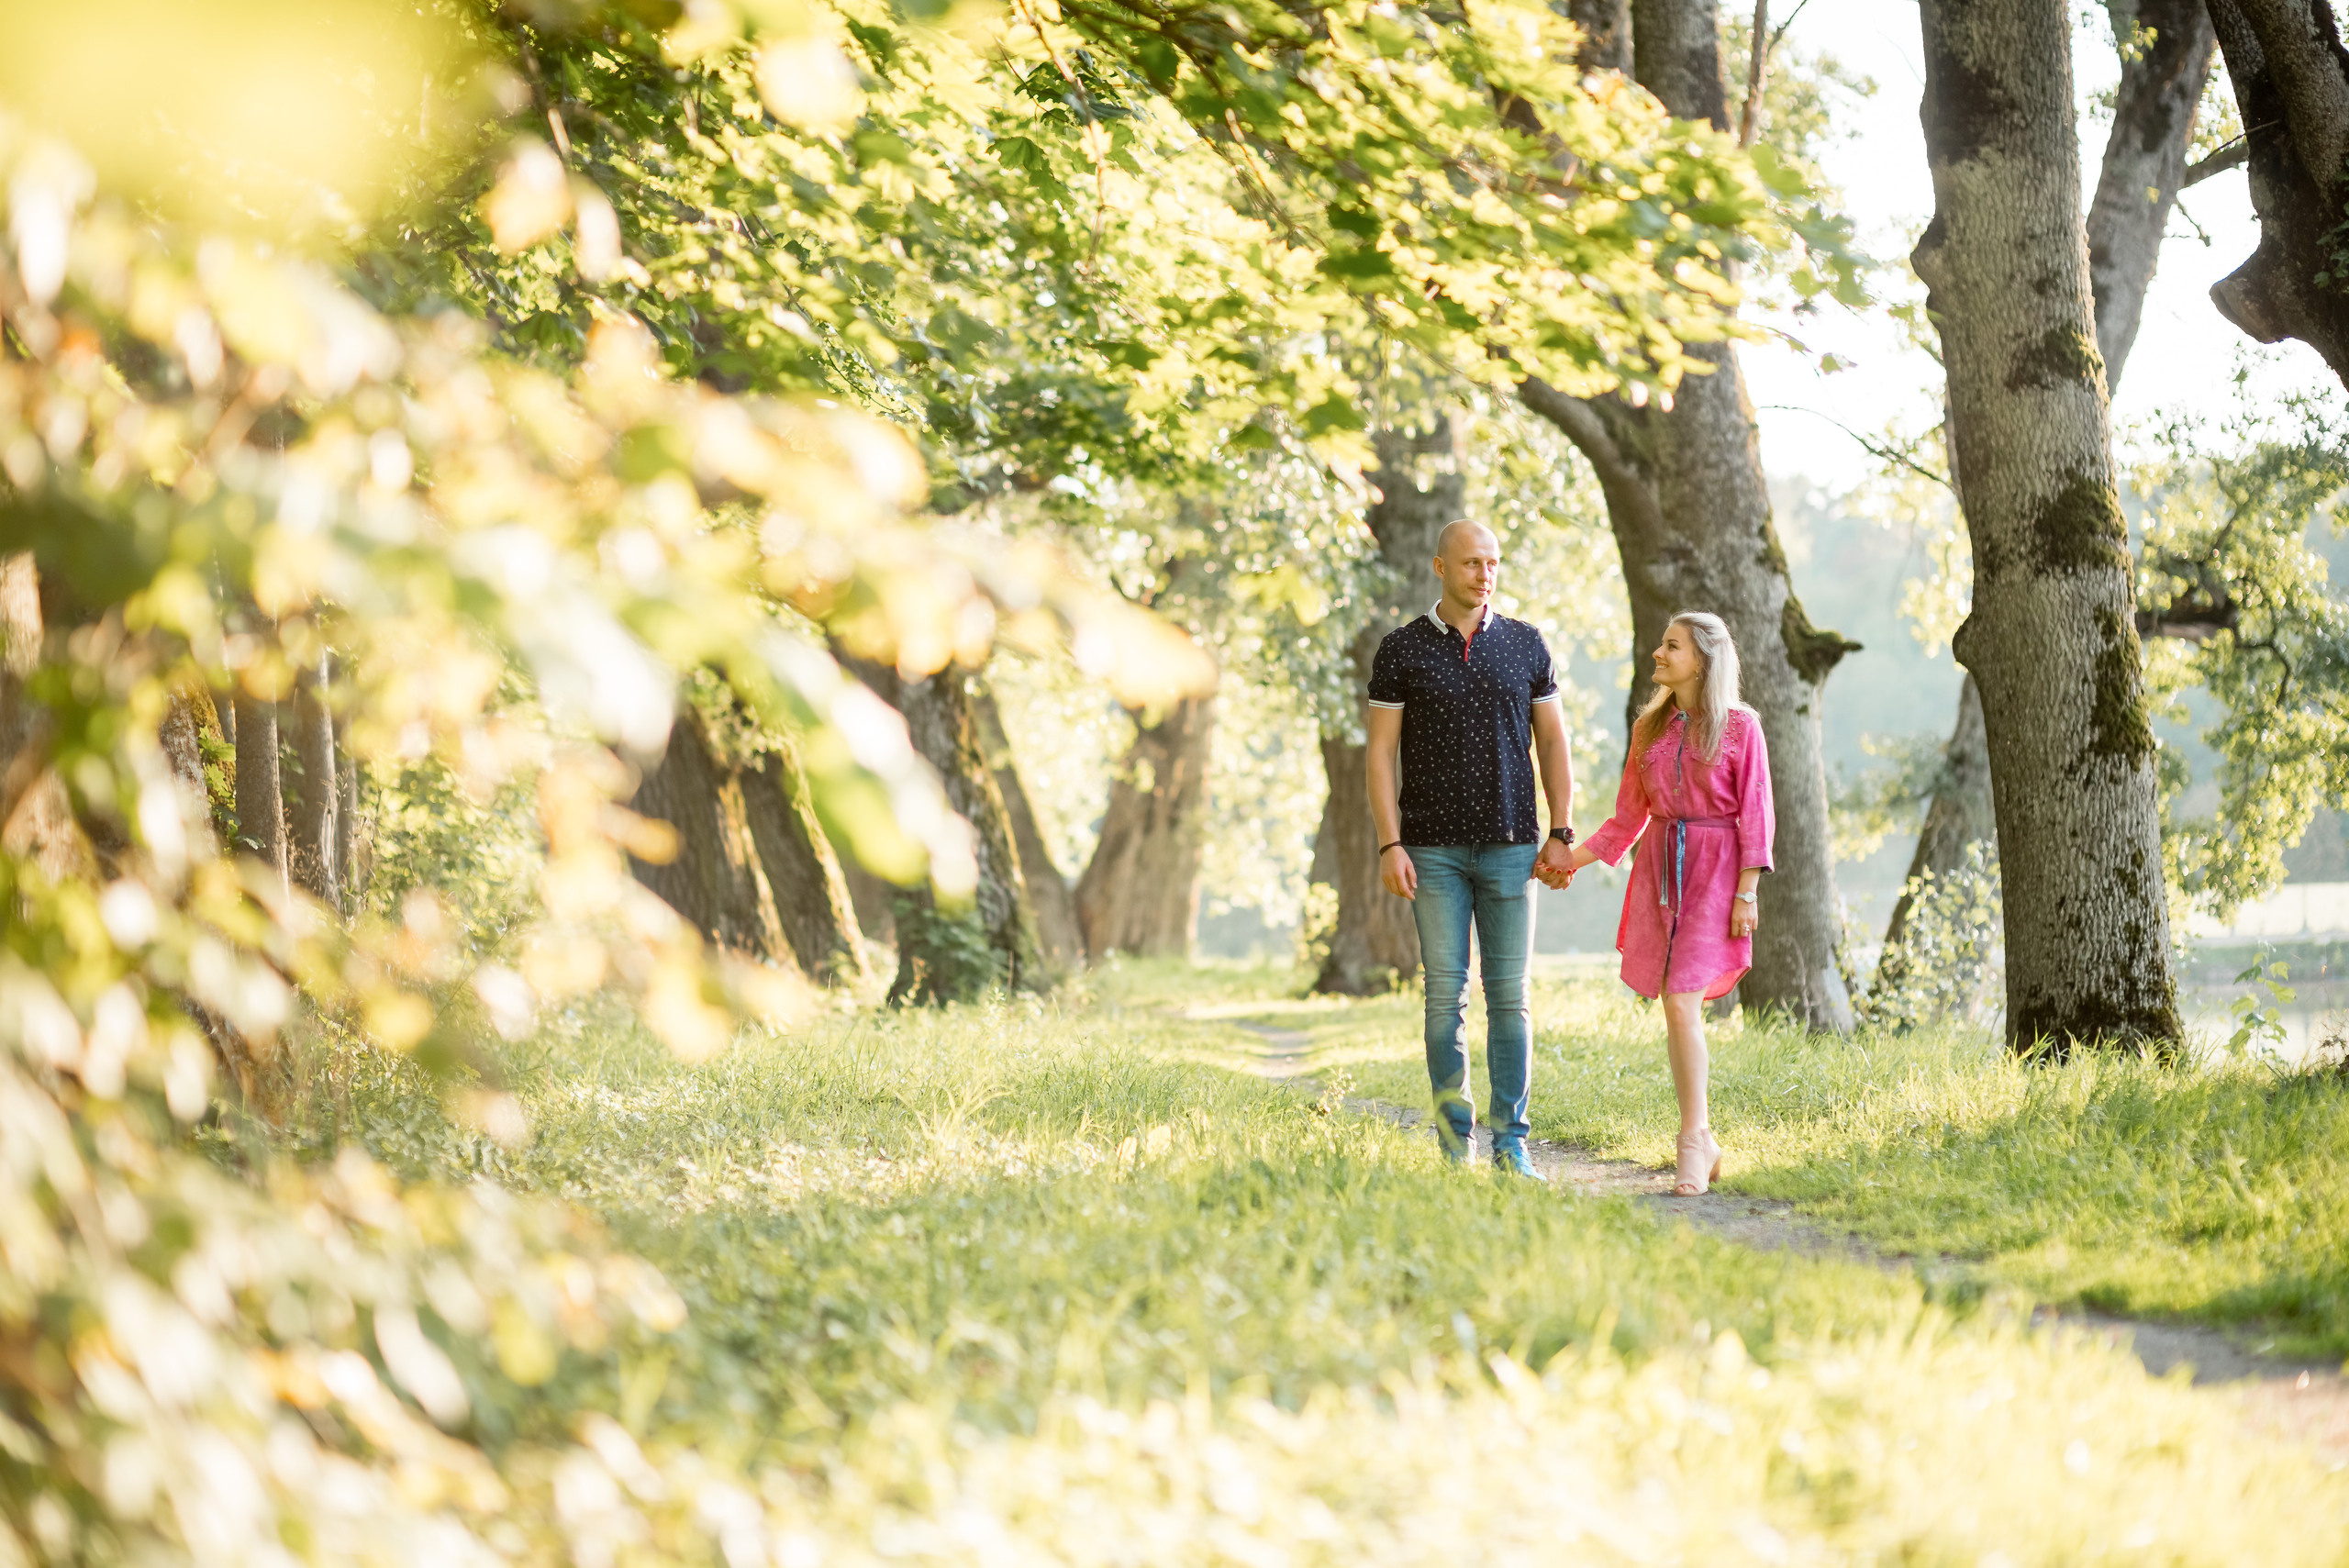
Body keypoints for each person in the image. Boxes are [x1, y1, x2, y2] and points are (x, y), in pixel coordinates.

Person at [1365, 519, 1576, 1178]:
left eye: (1493, 562)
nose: (1484, 573)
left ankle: (1512, 1144)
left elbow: (1554, 743)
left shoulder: (1525, 644)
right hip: (1431, 852)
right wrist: (1388, 843)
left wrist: (1562, 829)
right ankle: (1456, 1149)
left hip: (1514, 846)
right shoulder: (1401, 650)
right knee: (1443, 999)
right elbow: (1378, 754)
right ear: (1439, 566)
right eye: (1470, 563)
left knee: (1510, 998)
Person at [1542, 611, 1773, 1195]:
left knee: (1680, 1000)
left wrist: (1747, 892)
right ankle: (1702, 1140)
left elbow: (1757, 815)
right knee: (1676, 1007)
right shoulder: (1650, 729)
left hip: (1719, 874)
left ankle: (1693, 1142)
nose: (1658, 654)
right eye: (1661, 644)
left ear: (1703, 659)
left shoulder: (1742, 727)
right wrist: (1568, 857)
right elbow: (1627, 819)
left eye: (1672, 646)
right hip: (1659, 877)